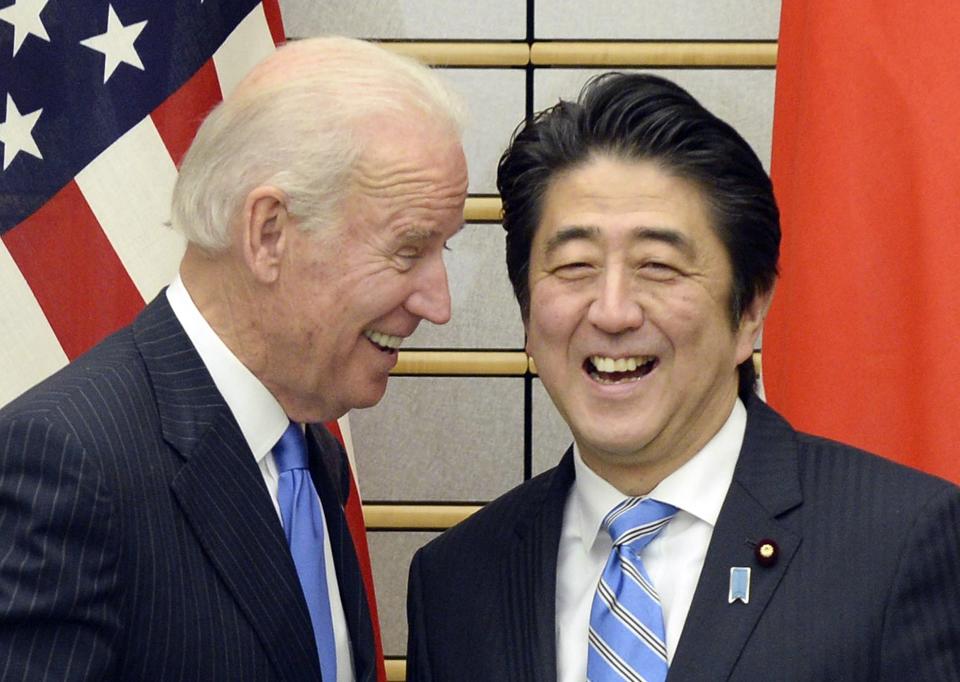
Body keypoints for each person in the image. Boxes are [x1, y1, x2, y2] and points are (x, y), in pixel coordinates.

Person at [406, 73, 960, 681]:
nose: (613, 311)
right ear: (527, 315)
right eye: (574, 266)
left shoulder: (900, 542)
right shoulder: (457, 581)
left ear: (750, 308)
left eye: (659, 266)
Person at [0, 37, 467, 682]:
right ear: (269, 233)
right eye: (408, 250)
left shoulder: (311, 454)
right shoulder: (69, 463)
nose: (438, 304)